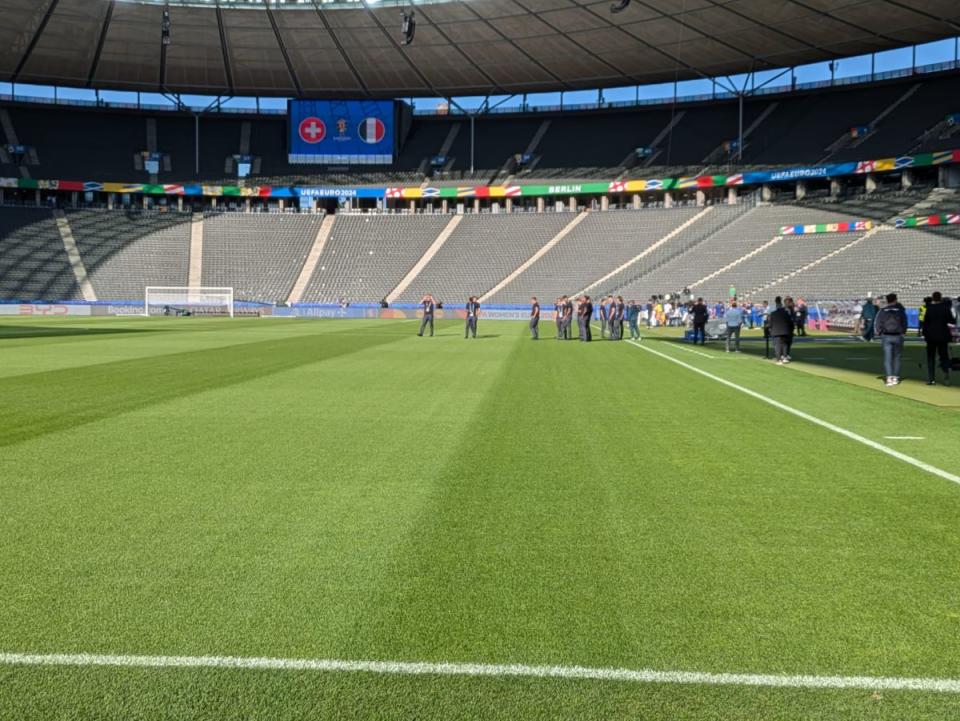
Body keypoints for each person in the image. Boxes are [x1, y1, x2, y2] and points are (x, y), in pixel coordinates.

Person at [920, 291, 955, 385]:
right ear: (940, 298)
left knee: (931, 358)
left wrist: (925, 334)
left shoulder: (929, 308)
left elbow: (925, 323)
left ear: (933, 298)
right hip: (943, 336)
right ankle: (946, 376)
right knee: (944, 357)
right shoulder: (945, 308)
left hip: (931, 336)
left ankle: (931, 379)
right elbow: (952, 320)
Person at [875, 292, 908, 387]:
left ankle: (889, 378)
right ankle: (895, 377)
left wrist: (880, 333)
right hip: (898, 336)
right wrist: (903, 332)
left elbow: (878, 322)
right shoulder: (900, 310)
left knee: (887, 358)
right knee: (897, 358)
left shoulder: (883, 310)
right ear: (895, 300)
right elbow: (905, 322)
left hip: (886, 336)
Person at [768, 297, 794, 364]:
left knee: (777, 346)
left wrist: (770, 329)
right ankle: (785, 357)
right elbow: (790, 322)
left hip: (776, 331)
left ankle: (779, 359)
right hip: (785, 331)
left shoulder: (773, 314)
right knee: (785, 345)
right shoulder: (786, 313)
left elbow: (770, 324)